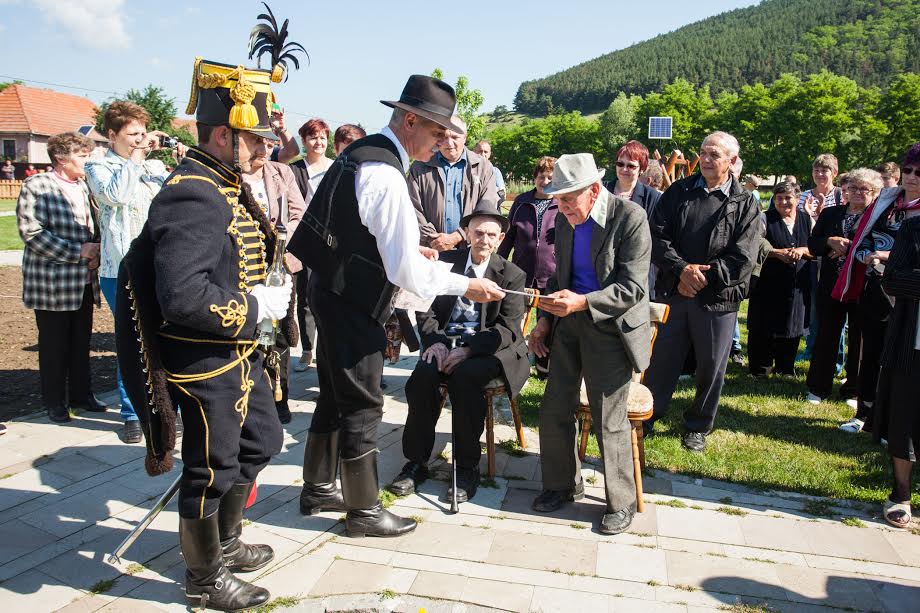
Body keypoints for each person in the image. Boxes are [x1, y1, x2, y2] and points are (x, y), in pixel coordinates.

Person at [287, 75, 505, 538]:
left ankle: (318, 487)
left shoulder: (360, 153)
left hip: (329, 290)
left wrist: (409, 255)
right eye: (435, 132)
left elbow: (370, 240)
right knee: (363, 403)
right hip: (351, 302)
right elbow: (404, 270)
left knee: (332, 393)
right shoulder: (385, 173)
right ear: (410, 121)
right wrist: (464, 285)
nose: (442, 142)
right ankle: (364, 511)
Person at [116, 55, 296, 610]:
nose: (267, 151)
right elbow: (183, 298)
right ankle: (203, 578)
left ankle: (227, 539)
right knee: (211, 470)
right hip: (204, 362)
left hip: (239, 353)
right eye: (258, 140)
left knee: (261, 441)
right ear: (224, 135)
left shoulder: (221, 182)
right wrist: (254, 305)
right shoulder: (193, 192)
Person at [527, 153, 651, 534]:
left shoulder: (630, 218)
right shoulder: (565, 221)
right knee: (553, 410)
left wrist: (581, 302)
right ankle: (562, 485)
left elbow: (632, 288)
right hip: (569, 324)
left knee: (608, 419)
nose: (561, 207)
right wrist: (544, 321)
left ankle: (621, 502)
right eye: (557, 199)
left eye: (568, 199)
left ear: (594, 191)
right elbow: (555, 279)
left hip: (610, 329)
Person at [388, 202, 528, 502]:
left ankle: (466, 468)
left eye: (492, 235)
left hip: (486, 351)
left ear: (501, 239)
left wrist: (468, 350)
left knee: (465, 380)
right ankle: (416, 462)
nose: (485, 240)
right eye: (478, 233)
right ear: (466, 233)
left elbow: (507, 329)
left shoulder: (511, 274)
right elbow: (423, 308)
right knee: (423, 377)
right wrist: (435, 341)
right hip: (444, 342)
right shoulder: (446, 263)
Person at [643, 132, 761, 452]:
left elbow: (744, 255)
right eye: (703, 153)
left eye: (714, 155)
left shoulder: (745, 203)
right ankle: (648, 415)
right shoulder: (679, 191)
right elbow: (658, 235)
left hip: (717, 300)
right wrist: (681, 270)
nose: (706, 160)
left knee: (711, 366)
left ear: (732, 161)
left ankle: (698, 424)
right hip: (676, 291)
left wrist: (702, 279)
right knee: (662, 361)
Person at [85, 101, 186, 443]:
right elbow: (115, 196)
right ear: (112, 135)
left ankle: (170, 406)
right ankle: (132, 411)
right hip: (122, 269)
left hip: (160, 265)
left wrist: (181, 156)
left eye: (144, 133)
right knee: (132, 340)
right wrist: (135, 159)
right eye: (132, 134)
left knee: (167, 337)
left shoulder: (155, 166)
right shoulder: (98, 165)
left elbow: (179, 193)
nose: (140, 140)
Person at [17, 132, 105, 424]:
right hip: (53, 284)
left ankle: (82, 395)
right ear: (61, 158)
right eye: (83, 156)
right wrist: (78, 251)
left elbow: (95, 225)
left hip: (82, 281)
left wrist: (96, 249)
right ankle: (54, 401)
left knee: (81, 341)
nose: (88, 161)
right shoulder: (38, 185)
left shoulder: (84, 186)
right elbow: (32, 233)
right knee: (54, 345)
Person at [832, 161, 916, 433]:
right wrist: (868, 257)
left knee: (903, 361)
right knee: (871, 352)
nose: (912, 176)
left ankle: (895, 424)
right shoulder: (886, 205)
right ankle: (865, 414)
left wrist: (887, 257)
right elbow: (862, 239)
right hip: (875, 288)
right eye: (909, 169)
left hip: (911, 297)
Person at [804, 168, 881, 409]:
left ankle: (853, 389)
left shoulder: (878, 217)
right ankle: (818, 386)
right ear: (846, 190)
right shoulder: (830, 214)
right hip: (832, 285)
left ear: (875, 193)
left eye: (864, 189)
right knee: (826, 335)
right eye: (853, 188)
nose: (857, 193)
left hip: (863, 287)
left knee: (859, 340)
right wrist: (829, 241)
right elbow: (812, 244)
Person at [241, 143, 306, 424]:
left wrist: (278, 238)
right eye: (257, 144)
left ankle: (280, 397)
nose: (263, 150)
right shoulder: (232, 174)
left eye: (268, 145)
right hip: (245, 269)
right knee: (251, 331)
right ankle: (250, 399)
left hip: (279, 266)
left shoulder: (281, 172)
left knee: (278, 334)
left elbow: (298, 214)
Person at [873, 154, 920, 527]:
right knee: (903, 416)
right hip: (912, 339)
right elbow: (892, 280)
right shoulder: (912, 228)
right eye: (911, 171)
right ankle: (901, 493)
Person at [498, 156, 556, 378]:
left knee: (547, 322)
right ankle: (513, 363)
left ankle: (543, 368)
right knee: (515, 320)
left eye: (551, 177)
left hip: (551, 274)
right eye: (542, 176)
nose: (546, 180)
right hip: (522, 272)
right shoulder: (521, 202)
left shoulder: (562, 202)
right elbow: (509, 237)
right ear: (535, 178)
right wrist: (499, 266)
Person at [746, 181, 812, 376]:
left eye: (788, 198)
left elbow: (816, 247)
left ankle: (785, 367)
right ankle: (760, 367)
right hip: (768, 280)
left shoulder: (807, 220)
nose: (783, 202)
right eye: (779, 198)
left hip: (796, 282)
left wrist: (802, 251)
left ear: (797, 199)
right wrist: (776, 253)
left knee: (792, 322)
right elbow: (754, 242)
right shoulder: (765, 219)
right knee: (763, 323)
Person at [409, 117, 499, 251]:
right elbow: (412, 207)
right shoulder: (420, 166)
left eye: (455, 137)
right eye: (443, 137)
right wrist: (434, 239)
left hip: (470, 250)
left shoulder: (483, 168)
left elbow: (488, 206)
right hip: (430, 250)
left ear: (465, 138)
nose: (449, 143)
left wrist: (459, 235)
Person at [289, 118, 334, 373]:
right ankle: (307, 349)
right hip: (305, 238)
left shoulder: (336, 167)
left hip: (330, 240)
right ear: (304, 141)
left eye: (322, 137)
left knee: (328, 294)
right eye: (313, 137)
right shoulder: (296, 169)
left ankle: (325, 348)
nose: (319, 142)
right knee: (305, 295)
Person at [798, 154, 844, 363]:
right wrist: (811, 217)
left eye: (824, 170)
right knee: (812, 307)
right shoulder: (805, 196)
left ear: (834, 173)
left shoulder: (842, 195)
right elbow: (802, 227)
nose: (819, 174)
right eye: (816, 170)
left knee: (833, 310)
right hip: (809, 258)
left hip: (834, 261)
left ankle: (836, 357)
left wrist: (821, 216)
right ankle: (811, 348)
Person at [605, 140, 662, 299]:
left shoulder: (653, 198)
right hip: (601, 270)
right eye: (620, 164)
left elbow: (655, 236)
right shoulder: (601, 192)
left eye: (631, 166)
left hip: (636, 272)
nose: (624, 169)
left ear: (642, 169)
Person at [473, 139, 506, 204]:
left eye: (485, 152)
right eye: (480, 151)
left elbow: (502, 193)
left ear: (490, 154)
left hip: (490, 209)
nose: (482, 154)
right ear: (474, 152)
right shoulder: (468, 170)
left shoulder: (495, 172)